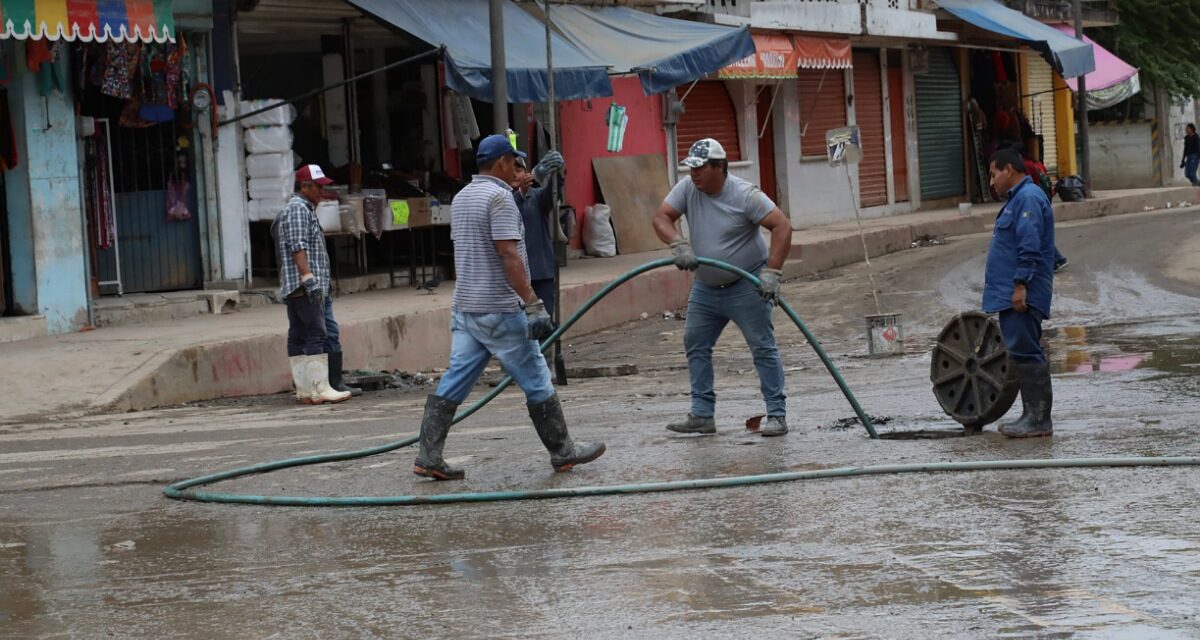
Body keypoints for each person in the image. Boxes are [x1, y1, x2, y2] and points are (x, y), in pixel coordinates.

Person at [412, 134, 605, 481]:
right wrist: (532, 303)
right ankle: (563, 452)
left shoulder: (464, 196)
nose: (517, 168)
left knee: (455, 380)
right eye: (513, 162)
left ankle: (428, 455)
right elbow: (507, 254)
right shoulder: (499, 199)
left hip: (466, 309)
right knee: (536, 378)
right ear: (501, 162)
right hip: (501, 309)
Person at [651, 138, 794, 437]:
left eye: (701, 169)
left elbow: (782, 226)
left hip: (747, 284)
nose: (694, 175)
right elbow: (662, 217)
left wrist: (773, 272)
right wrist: (677, 244)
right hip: (705, 287)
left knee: (762, 348)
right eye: (691, 169)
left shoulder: (745, 195)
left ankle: (776, 415)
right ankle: (702, 414)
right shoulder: (688, 188)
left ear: (720, 167)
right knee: (695, 343)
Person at [984, 149, 1055, 438]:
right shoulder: (1022, 199)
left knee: (1026, 351)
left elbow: (1029, 244)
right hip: (1014, 291)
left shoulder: (1027, 198)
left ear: (1009, 170)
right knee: (1022, 349)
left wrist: (1020, 284)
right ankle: (1032, 415)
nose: (991, 182)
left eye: (993, 174)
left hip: (1021, 294)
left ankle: (1038, 420)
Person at [274, 165, 352, 405]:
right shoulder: (298, 210)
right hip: (304, 285)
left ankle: (306, 390)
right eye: (318, 187)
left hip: (304, 284)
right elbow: (298, 247)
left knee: (298, 333)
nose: (322, 191)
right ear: (305, 187)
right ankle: (320, 388)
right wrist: (309, 279)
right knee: (316, 332)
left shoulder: (305, 209)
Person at [511, 151, 565, 314]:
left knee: (546, 323)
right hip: (515, 275)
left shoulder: (537, 196)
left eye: (519, 170)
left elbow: (551, 194)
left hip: (541, 272)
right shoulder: (502, 198)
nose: (515, 173)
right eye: (512, 169)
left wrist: (558, 173)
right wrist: (520, 193)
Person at [1015, 142, 1068, 273]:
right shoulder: (1035, 163)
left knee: (1035, 233)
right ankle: (1057, 259)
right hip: (1043, 198)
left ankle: (1057, 259)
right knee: (1039, 232)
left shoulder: (1025, 166)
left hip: (1035, 202)